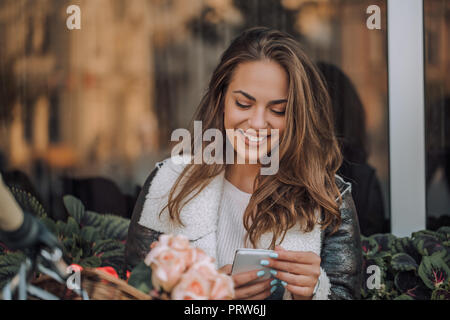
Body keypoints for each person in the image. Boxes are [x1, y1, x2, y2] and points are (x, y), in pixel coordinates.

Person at [125, 27, 362, 300]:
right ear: (221, 99)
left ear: (296, 115)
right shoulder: (168, 183)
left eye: (278, 110)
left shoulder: (329, 199)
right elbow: (134, 291)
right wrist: (209, 297)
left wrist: (314, 293)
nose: (258, 123)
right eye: (243, 104)